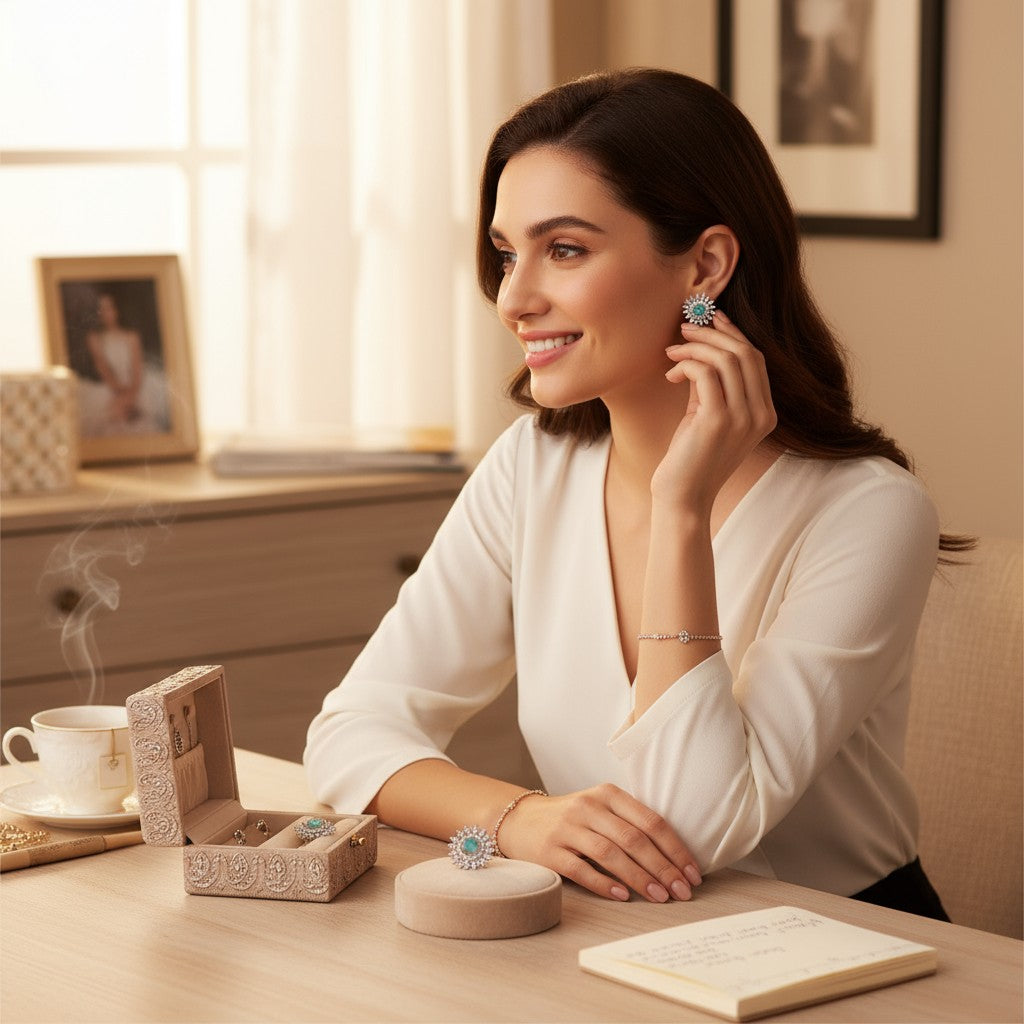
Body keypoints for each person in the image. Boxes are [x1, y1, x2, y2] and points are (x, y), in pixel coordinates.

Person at [305, 68, 965, 917]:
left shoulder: (868, 511)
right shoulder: (532, 467)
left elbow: (695, 826)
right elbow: (350, 732)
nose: (514, 298)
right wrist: (518, 819)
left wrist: (681, 509)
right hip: (615, 933)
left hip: (851, 943)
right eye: (507, 254)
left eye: (564, 250)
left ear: (705, 265)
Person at [78, 291, 170, 436]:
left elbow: (137, 365)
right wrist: (119, 392)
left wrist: (132, 393)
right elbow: (102, 365)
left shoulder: (131, 336)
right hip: (110, 386)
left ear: (117, 309)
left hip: (135, 384)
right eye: (101, 309)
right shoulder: (94, 338)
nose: (106, 314)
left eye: (109, 308)